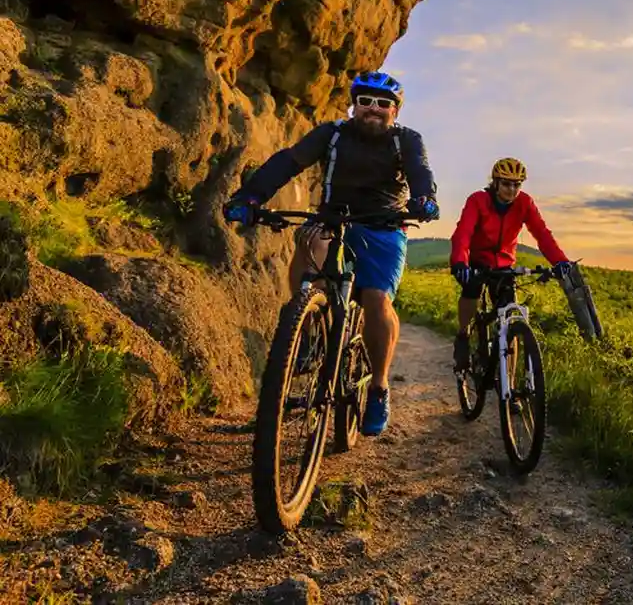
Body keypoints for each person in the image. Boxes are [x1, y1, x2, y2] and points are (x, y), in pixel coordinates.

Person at [221, 71, 439, 436]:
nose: (374, 109)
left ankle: (379, 387)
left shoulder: (406, 140)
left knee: (376, 301)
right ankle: (307, 323)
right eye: (366, 101)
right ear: (353, 104)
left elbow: (419, 171)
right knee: (310, 250)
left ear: (395, 112)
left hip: (384, 226)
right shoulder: (332, 134)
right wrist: (251, 196)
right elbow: (288, 162)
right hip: (333, 218)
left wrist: (424, 199)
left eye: (384, 104)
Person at [449, 157, 571, 367]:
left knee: (509, 322)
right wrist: (460, 262)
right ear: (495, 183)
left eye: (517, 184)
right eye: (506, 183)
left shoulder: (525, 203)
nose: (512, 189)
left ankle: (510, 390)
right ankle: (463, 335)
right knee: (471, 290)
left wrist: (560, 261)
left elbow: (542, 234)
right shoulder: (478, 200)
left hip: (504, 264)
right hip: (477, 260)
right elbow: (463, 233)